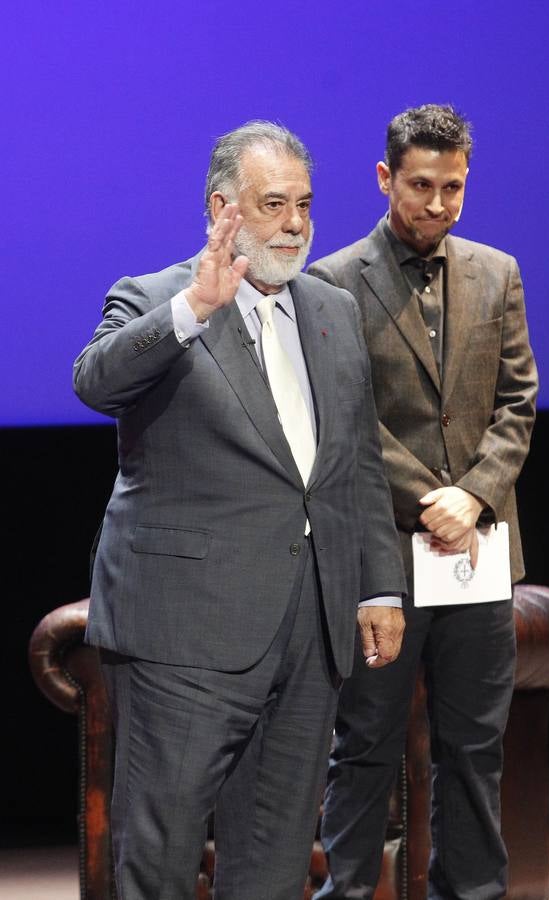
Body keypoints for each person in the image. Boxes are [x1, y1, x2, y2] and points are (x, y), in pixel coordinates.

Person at [73, 121, 406, 900]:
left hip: (306, 629)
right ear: (223, 208)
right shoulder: (158, 298)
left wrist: (377, 586)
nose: (295, 222)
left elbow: (353, 462)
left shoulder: (330, 311)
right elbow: (94, 381)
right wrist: (193, 307)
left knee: (275, 855)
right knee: (160, 854)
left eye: (305, 204)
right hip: (183, 633)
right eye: (273, 204)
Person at [308, 104, 538, 900]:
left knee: (475, 747)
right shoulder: (332, 282)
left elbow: (518, 403)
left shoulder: (497, 271)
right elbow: (341, 419)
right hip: (383, 558)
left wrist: (472, 496)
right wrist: (429, 497)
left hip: (476, 556)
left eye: (454, 187)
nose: (437, 204)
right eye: (421, 186)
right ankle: (347, 893)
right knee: (364, 742)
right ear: (385, 179)